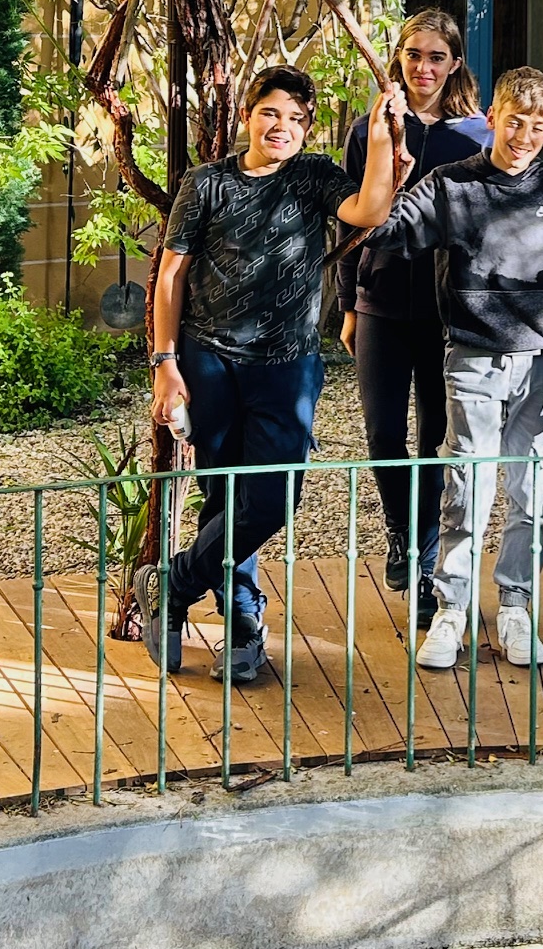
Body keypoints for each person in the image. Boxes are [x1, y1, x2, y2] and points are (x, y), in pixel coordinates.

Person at [137, 65, 410, 680]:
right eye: (270, 113)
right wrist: (165, 364)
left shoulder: (312, 177)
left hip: (286, 366)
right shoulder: (206, 183)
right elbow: (173, 275)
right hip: (209, 359)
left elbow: (369, 208)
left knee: (273, 496)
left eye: (295, 118)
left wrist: (380, 133)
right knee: (224, 493)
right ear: (247, 116)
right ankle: (240, 621)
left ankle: (173, 584)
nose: (281, 127)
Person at [360, 65, 543, 670]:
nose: (525, 135)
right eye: (515, 122)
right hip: (471, 353)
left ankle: (515, 605)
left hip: (540, 359)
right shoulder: (450, 185)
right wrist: (386, 152)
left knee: (530, 488)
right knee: (467, 484)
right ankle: (452, 608)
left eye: (538, 125)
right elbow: (383, 228)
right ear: (492, 119)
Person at [338, 8, 492, 625]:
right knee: (382, 433)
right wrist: (349, 303)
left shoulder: (477, 135)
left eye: (436, 57)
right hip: (380, 301)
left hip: (443, 309)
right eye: (412, 55)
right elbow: (350, 219)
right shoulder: (373, 128)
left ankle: (427, 562)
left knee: (436, 438)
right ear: (398, 60)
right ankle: (400, 531)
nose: (423, 68)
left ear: (454, 62)